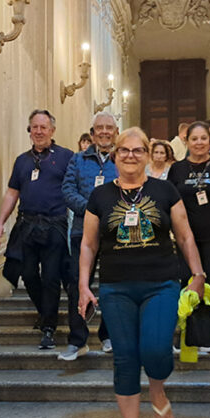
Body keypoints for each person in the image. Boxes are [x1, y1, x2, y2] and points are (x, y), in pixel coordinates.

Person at [78, 127, 205, 418]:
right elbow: (88, 244)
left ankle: (157, 388)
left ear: (148, 155)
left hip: (161, 283)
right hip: (116, 287)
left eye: (138, 150)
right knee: (125, 359)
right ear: (115, 155)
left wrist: (198, 274)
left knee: (155, 349)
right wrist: (83, 285)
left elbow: (185, 236)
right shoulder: (100, 196)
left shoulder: (165, 191)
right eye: (124, 150)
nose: (131, 156)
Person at [0, 110, 76, 350]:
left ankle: (49, 327)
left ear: (52, 130)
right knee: (28, 273)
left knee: (51, 277)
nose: (39, 131)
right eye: (35, 127)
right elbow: (12, 193)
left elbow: (75, 188)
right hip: (27, 225)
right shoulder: (22, 161)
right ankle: (45, 312)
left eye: (43, 127)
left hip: (55, 225)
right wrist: (0, 222)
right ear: (29, 130)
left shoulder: (67, 157)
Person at [61, 111, 118, 359]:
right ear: (92, 134)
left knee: (111, 285)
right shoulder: (77, 159)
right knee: (77, 284)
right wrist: (92, 210)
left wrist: (109, 213)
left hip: (113, 232)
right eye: (99, 128)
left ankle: (108, 335)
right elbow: (67, 189)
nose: (104, 132)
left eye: (109, 128)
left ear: (116, 132)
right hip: (82, 232)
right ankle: (77, 340)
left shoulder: (122, 158)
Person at [167, 121, 210, 295]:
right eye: (194, 139)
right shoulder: (177, 169)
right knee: (187, 281)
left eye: (203, 138)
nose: (199, 143)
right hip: (185, 236)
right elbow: (170, 202)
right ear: (187, 141)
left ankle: (209, 313)